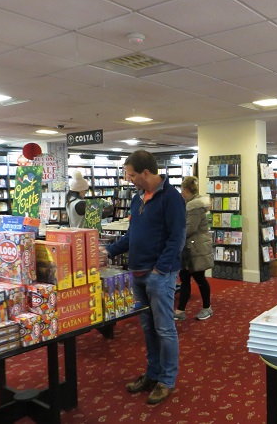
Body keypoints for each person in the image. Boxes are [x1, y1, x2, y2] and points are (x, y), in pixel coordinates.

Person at [104, 150, 186, 405]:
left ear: (146, 173)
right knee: (148, 328)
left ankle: (167, 380)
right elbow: (132, 234)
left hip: (158, 275)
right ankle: (153, 374)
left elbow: (177, 239)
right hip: (137, 272)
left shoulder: (171, 198)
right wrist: (109, 251)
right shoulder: (137, 198)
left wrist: (160, 269)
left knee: (165, 329)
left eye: (131, 175)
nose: (128, 179)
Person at [174, 176, 214, 321]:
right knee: (186, 277)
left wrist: (174, 234)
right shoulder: (193, 204)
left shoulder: (193, 206)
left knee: (198, 277)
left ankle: (207, 307)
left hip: (195, 248)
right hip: (191, 246)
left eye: (182, 190)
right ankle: (180, 311)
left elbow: (190, 228)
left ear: (186, 190)